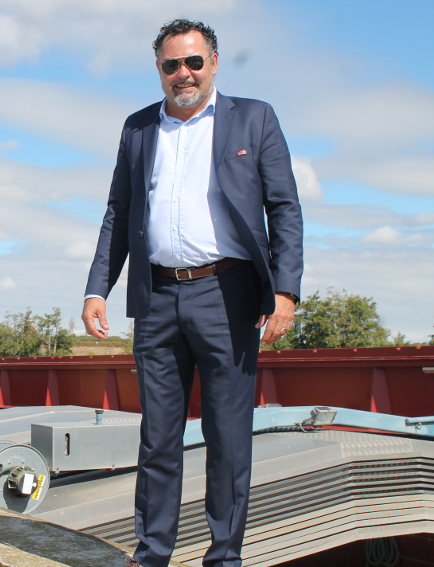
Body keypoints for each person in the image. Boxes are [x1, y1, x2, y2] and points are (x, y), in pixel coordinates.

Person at [82, 18, 303, 567]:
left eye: (194, 62)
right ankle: (152, 552)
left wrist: (286, 292)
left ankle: (224, 556)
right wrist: (96, 288)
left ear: (214, 63)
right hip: (156, 298)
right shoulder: (138, 129)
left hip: (227, 296)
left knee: (229, 439)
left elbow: (285, 209)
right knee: (158, 437)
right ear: (159, 70)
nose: (184, 73)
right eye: (171, 64)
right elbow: (119, 212)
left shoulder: (254, 119)